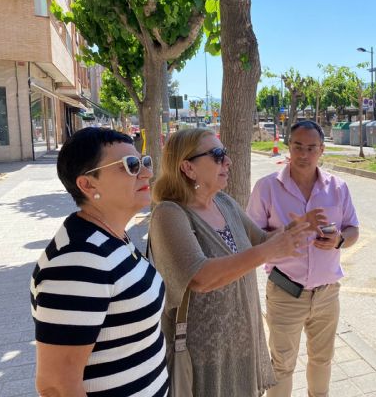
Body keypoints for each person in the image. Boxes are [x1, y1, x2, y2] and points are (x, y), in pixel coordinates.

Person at [148, 128, 325, 397]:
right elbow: (200, 277)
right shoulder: (170, 214)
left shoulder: (223, 202)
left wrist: (293, 228)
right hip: (205, 353)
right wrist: (268, 250)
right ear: (188, 167)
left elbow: (261, 239)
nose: (227, 161)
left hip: (243, 343)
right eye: (217, 155)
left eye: (225, 154)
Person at [31, 127, 168, 396]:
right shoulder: (77, 262)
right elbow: (56, 385)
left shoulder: (110, 237)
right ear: (88, 184)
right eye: (130, 166)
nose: (147, 173)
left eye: (144, 162)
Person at [247, 120, 360, 397]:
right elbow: (251, 238)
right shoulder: (267, 188)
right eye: (298, 146)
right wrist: (292, 230)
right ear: (289, 147)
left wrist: (340, 240)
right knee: (282, 364)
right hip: (286, 292)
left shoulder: (338, 188)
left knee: (322, 359)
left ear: (322, 150)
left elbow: (353, 229)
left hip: (327, 294)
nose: (304, 154)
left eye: (311, 148)